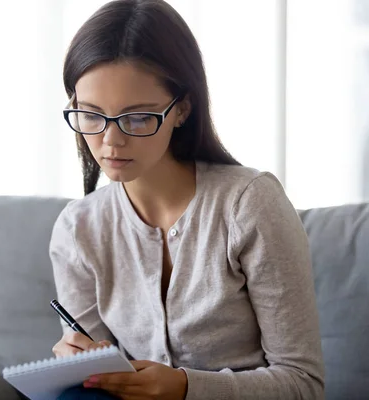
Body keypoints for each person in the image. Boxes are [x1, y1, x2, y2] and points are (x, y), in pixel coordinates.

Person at [49, 0, 325, 399]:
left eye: (138, 118)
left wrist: (185, 387)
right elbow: (101, 377)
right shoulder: (78, 230)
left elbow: (304, 384)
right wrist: (80, 362)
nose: (110, 142)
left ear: (181, 109)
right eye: (90, 115)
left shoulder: (249, 205)